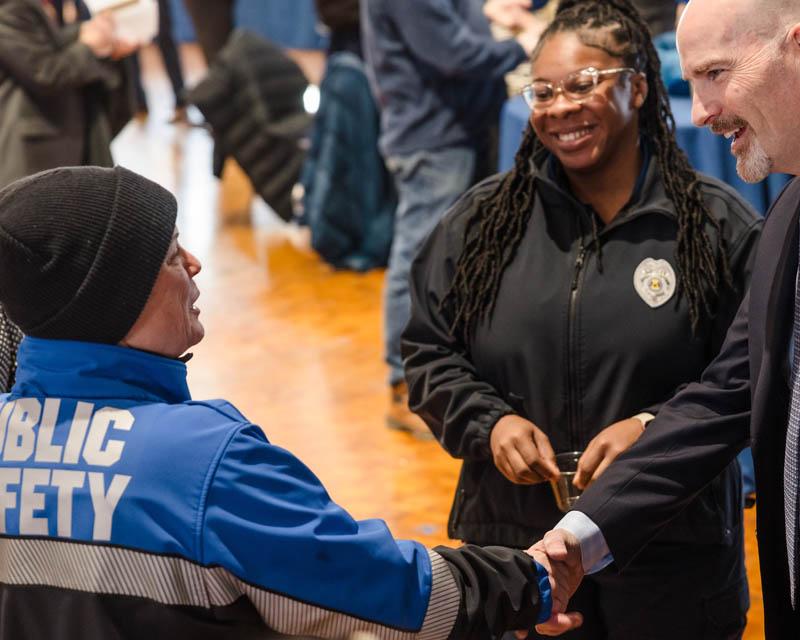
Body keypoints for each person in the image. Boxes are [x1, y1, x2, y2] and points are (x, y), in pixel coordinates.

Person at [0, 165, 582, 639]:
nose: (195, 264)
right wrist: (529, 581)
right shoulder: (200, 464)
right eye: (173, 255)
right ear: (116, 301)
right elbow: (387, 593)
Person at [532, 0, 800, 638]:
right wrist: (579, 537)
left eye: (715, 74)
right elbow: (728, 393)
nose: (701, 113)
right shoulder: (794, 208)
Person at [403, 1, 761, 637]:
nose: (560, 107)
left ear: (638, 86)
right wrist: (489, 424)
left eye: (583, 85)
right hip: (517, 552)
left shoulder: (716, 228)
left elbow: (755, 370)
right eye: (542, 91)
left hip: (671, 555)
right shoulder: (481, 226)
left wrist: (654, 427)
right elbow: (430, 353)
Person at [361, 0, 544, 437]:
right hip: (433, 138)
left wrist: (488, 14)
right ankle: (405, 387)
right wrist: (523, 45)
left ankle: (448, 378)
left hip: (455, 129)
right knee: (419, 261)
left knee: (465, 258)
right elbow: (455, 55)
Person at [0, 0, 135, 189]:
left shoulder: (73, 6)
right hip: (36, 150)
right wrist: (90, 46)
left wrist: (107, 45)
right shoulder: (10, 9)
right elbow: (44, 74)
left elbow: (59, 44)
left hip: (76, 134)